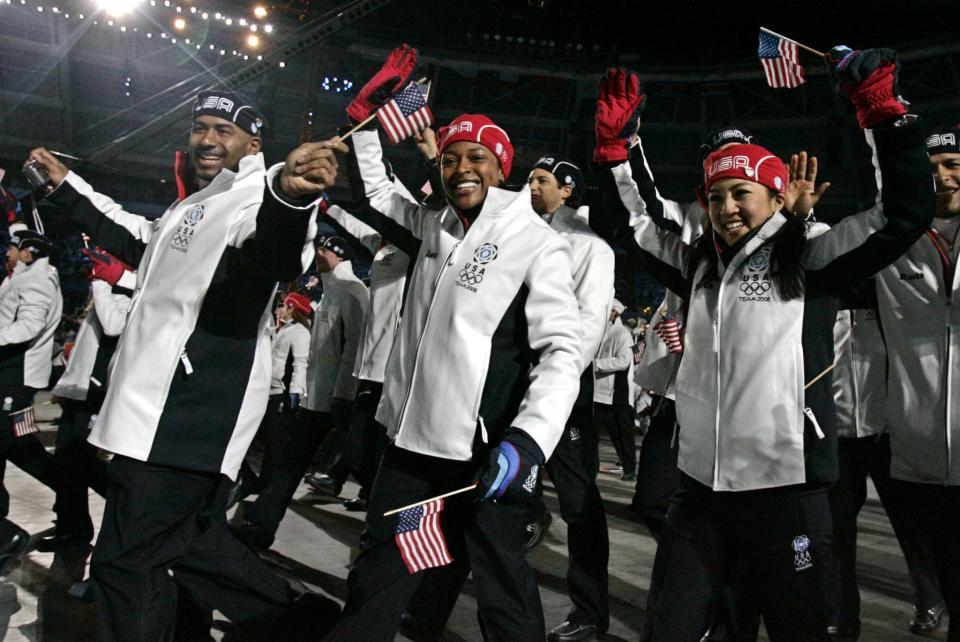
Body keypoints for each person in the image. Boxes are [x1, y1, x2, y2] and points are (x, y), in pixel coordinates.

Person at [593, 48, 932, 639]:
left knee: (797, 628)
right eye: (716, 194)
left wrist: (883, 115)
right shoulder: (697, 265)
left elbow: (903, 214)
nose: (725, 207)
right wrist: (616, 153)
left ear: (777, 198)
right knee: (671, 628)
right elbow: (637, 225)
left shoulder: (811, 256)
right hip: (701, 490)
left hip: (787, 490)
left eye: (742, 193)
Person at [28, 88, 341, 641]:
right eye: (200, 126)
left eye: (224, 129)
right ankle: (298, 623)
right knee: (190, 545)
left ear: (253, 143)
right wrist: (65, 188)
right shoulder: (191, 205)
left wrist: (290, 198)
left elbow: (275, 252)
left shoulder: (254, 197)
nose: (208, 138)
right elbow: (137, 238)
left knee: (126, 567)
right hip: (151, 415)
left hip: (189, 416)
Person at [322, 44, 583, 641]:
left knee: (501, 586)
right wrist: (364, 116)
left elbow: (562, 353)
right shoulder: (432, 228)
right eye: (451, 158)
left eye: (477, 158)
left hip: (484, 457)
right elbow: (372, 192)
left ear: (501, 168)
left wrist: (528, 441)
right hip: (412, 452)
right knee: (383, 572)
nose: (462, 167)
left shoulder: (535, 242)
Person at [872, 118, 960, 641]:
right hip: (922, 457)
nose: (943, 177)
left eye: (953, 165)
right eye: (930, 169)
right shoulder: (890, 240)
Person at [234, 234, 368, 547]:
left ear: (336, 253)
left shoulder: (353, 291)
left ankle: (382, 534)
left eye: (322, 250)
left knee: (362, 464)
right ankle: (262, 524)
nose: (317, 254)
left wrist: (343, 394)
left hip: (337, 397)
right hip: (316, 398)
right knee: (291, 462)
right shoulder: (330, 290)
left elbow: (354, 348)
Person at [827, 296, 944, 638]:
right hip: (838, 429)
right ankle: (841, 614)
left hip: (889, 428)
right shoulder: (823, 280)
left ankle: (931, 595)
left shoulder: (887, 287)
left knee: (911, 522)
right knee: (837, 527)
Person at [41, 245, 134, 552]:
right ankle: (71, 527)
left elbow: (114, 326)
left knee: (82, 463)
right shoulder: (104, 296)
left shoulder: (128, 297)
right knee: (67, 463)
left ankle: (130, 515)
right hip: (79, 392)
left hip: (96, 394)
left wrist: (102, 283)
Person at [0, 224, 62, 574]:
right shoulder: (25, 276)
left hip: (15, 378)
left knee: (17, 445)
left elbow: (28, 326)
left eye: (14, 246)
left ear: (29, 251)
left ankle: (68, 490)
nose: (8, 251)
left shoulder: (36, 280)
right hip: (9, 375)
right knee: (14, 445)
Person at [593, 299, 636, 482]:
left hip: (618, 395)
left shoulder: (622, 334)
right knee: (592, 436)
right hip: (599, 393)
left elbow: (623, 361)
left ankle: (629, 469)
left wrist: (596, 365)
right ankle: (589, 468)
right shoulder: (604, 332)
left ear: (614, 313)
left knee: (622, 435)